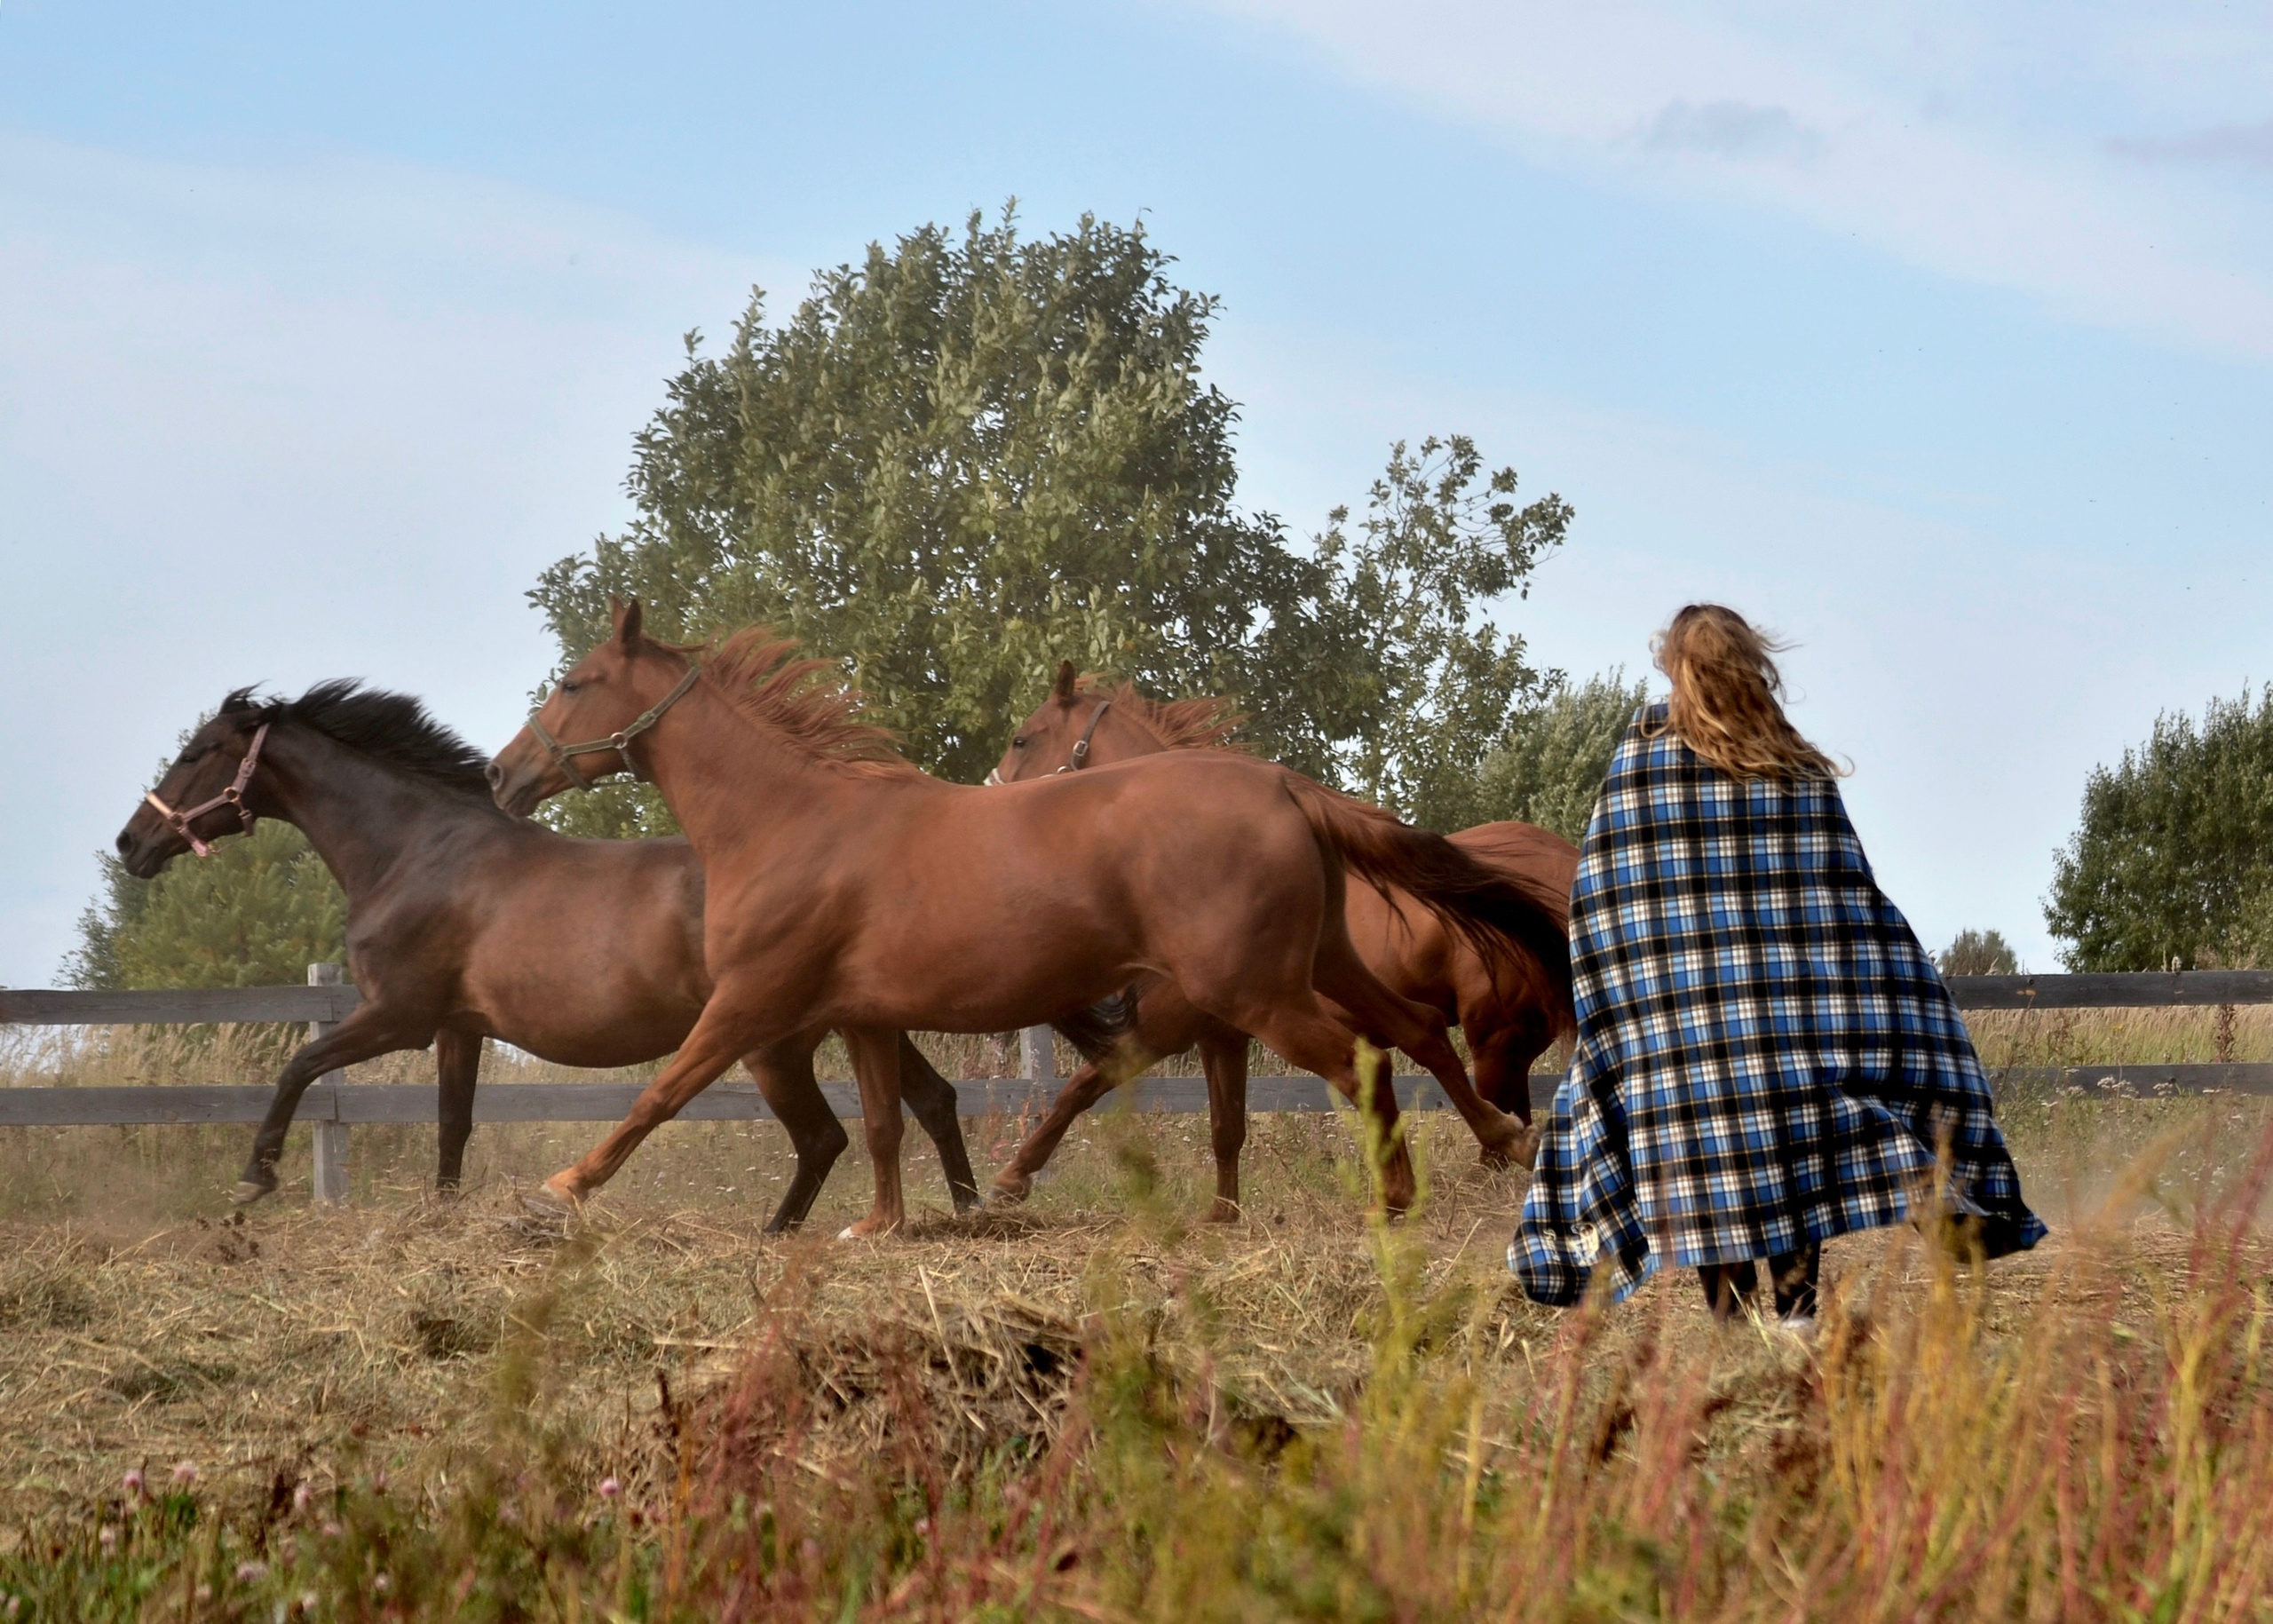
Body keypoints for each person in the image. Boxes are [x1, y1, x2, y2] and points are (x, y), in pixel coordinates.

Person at [1509, 605, 2044, 1323]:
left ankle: (1732, 1335)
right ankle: (1797, 1321)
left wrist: (1627, 1017)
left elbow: (1604, 903)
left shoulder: (1642, 765)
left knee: (1704, 1164)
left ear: (1676, 668)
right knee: (1790, 1151)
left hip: (1681, 1044)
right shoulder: (1795, 767)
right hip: (1786, 1036)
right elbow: (1849, 907)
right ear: (1750, 663)